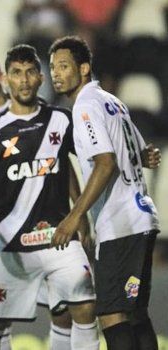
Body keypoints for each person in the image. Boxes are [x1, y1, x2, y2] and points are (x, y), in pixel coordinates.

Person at [0, 44, 99, 350]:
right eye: (17, 73)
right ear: (6, 79)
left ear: (41, 78)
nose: (24, 80)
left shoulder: (61, 119)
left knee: (82, 307)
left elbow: (63, 163)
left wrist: (79, 215)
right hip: (8, 238)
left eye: (31, 72)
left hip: (56, 235)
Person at [49, 35, 162, 350]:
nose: (56, 74)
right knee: (135, 314)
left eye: (64, 66)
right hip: (141, 218)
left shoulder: (85, 107)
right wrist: (143, 157)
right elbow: (141, 153)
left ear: (84, 68)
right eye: (53, 67)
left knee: (112, 314)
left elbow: (105, 162)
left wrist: (75, 215)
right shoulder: (113, 100)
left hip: (121, 224)